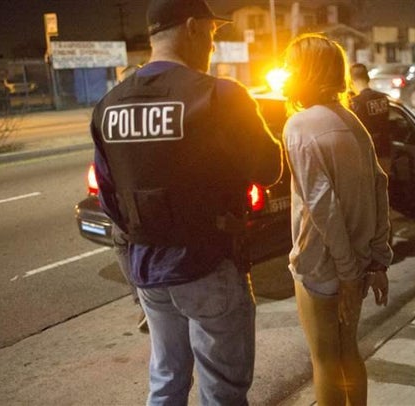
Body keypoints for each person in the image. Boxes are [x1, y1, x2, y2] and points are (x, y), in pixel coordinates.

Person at [89, 0, 283, 404]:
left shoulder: (109, 105)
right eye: (212, 34)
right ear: (193, 28)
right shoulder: (219, 95)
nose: (212, 45)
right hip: (208, 264)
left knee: (166, 379)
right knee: (222, 390)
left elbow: (108, 197)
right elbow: (269, 170)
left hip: (146, 269)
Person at [281, 33, 393, 406]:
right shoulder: (353, 122)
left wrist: (345, 274)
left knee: (325, 360)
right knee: (349, 354)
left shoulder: (299, 125)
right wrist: (376, 261)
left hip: (322, 267)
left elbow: (320, 205)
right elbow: (380, 188)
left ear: (302, 72)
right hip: (358, 262)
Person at [349, 63, 392, 175]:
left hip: (366, 154)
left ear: (351, 81)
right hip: (385, 151)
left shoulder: (355, 103)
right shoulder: (383, 97)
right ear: (367, 78)